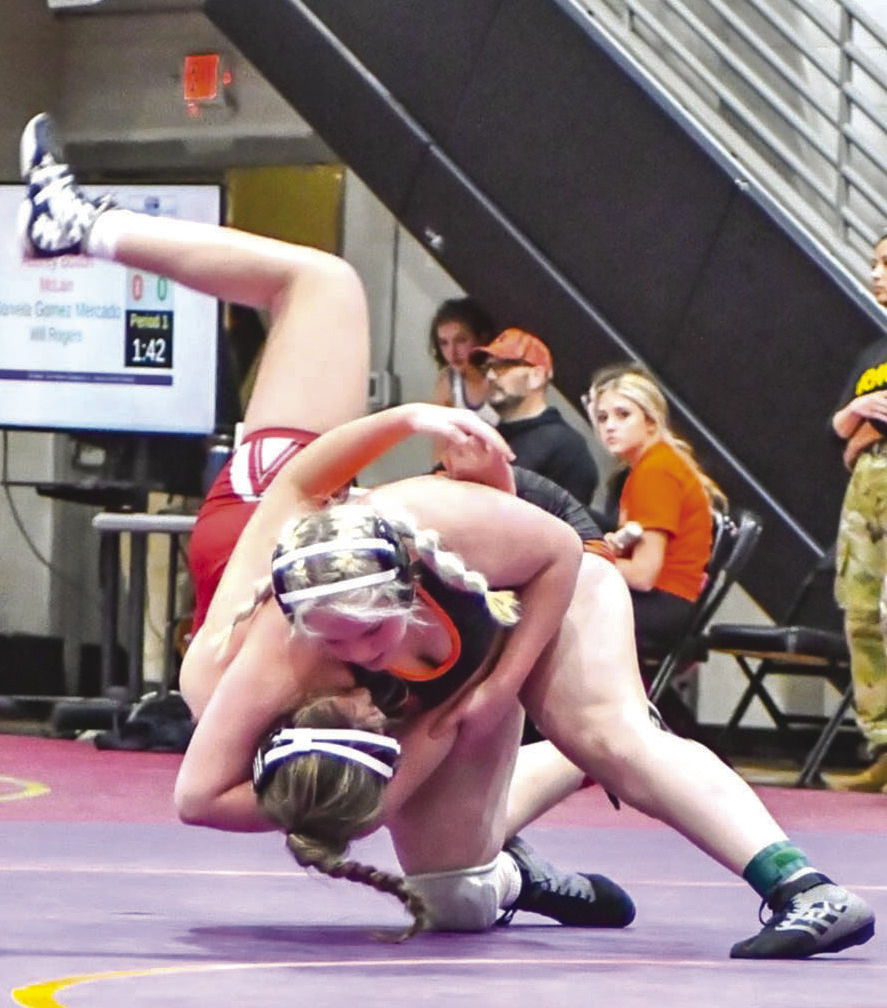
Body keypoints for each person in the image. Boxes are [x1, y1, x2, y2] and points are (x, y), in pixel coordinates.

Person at [20, 112, 875, 960]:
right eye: (361, 673)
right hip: (427, 609)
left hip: (531, 566)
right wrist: (417, 758)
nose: (362, 661)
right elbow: (216, 799)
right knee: (456, 898)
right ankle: (514, 860)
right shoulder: (370, 711)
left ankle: (797, 886)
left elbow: (538, 551)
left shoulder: (291, 633)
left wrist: (500, 681)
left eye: (362, 641)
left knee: (611, 731)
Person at [584, 365, 726, 660]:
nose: (610, 426)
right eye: (602, 417)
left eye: (623, 415)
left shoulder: (656, 472)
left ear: (650, 421)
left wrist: (586, 557)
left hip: (662, 606)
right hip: (668, 605)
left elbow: (643, 575)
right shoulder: (652, 466)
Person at [827, 229, 887, 793]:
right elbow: (840, 432)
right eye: (873, 262)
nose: (876, 273)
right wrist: (859, 416)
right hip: (866, 493)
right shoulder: (874, 353)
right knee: (863, 616)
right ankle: (883, 746)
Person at [470, 329, 599, 505]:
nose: (491, 376)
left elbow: (572, 522)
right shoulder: (482, 438)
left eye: (503, 366)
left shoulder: (566, 448)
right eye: (487, 368)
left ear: (537, 376)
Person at [429, 296, 499, 427]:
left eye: (461, 340)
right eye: (444, 343)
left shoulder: (503, 377)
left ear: (482, 338)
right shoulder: (447, 383)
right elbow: (441, 444)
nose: (452, 352)